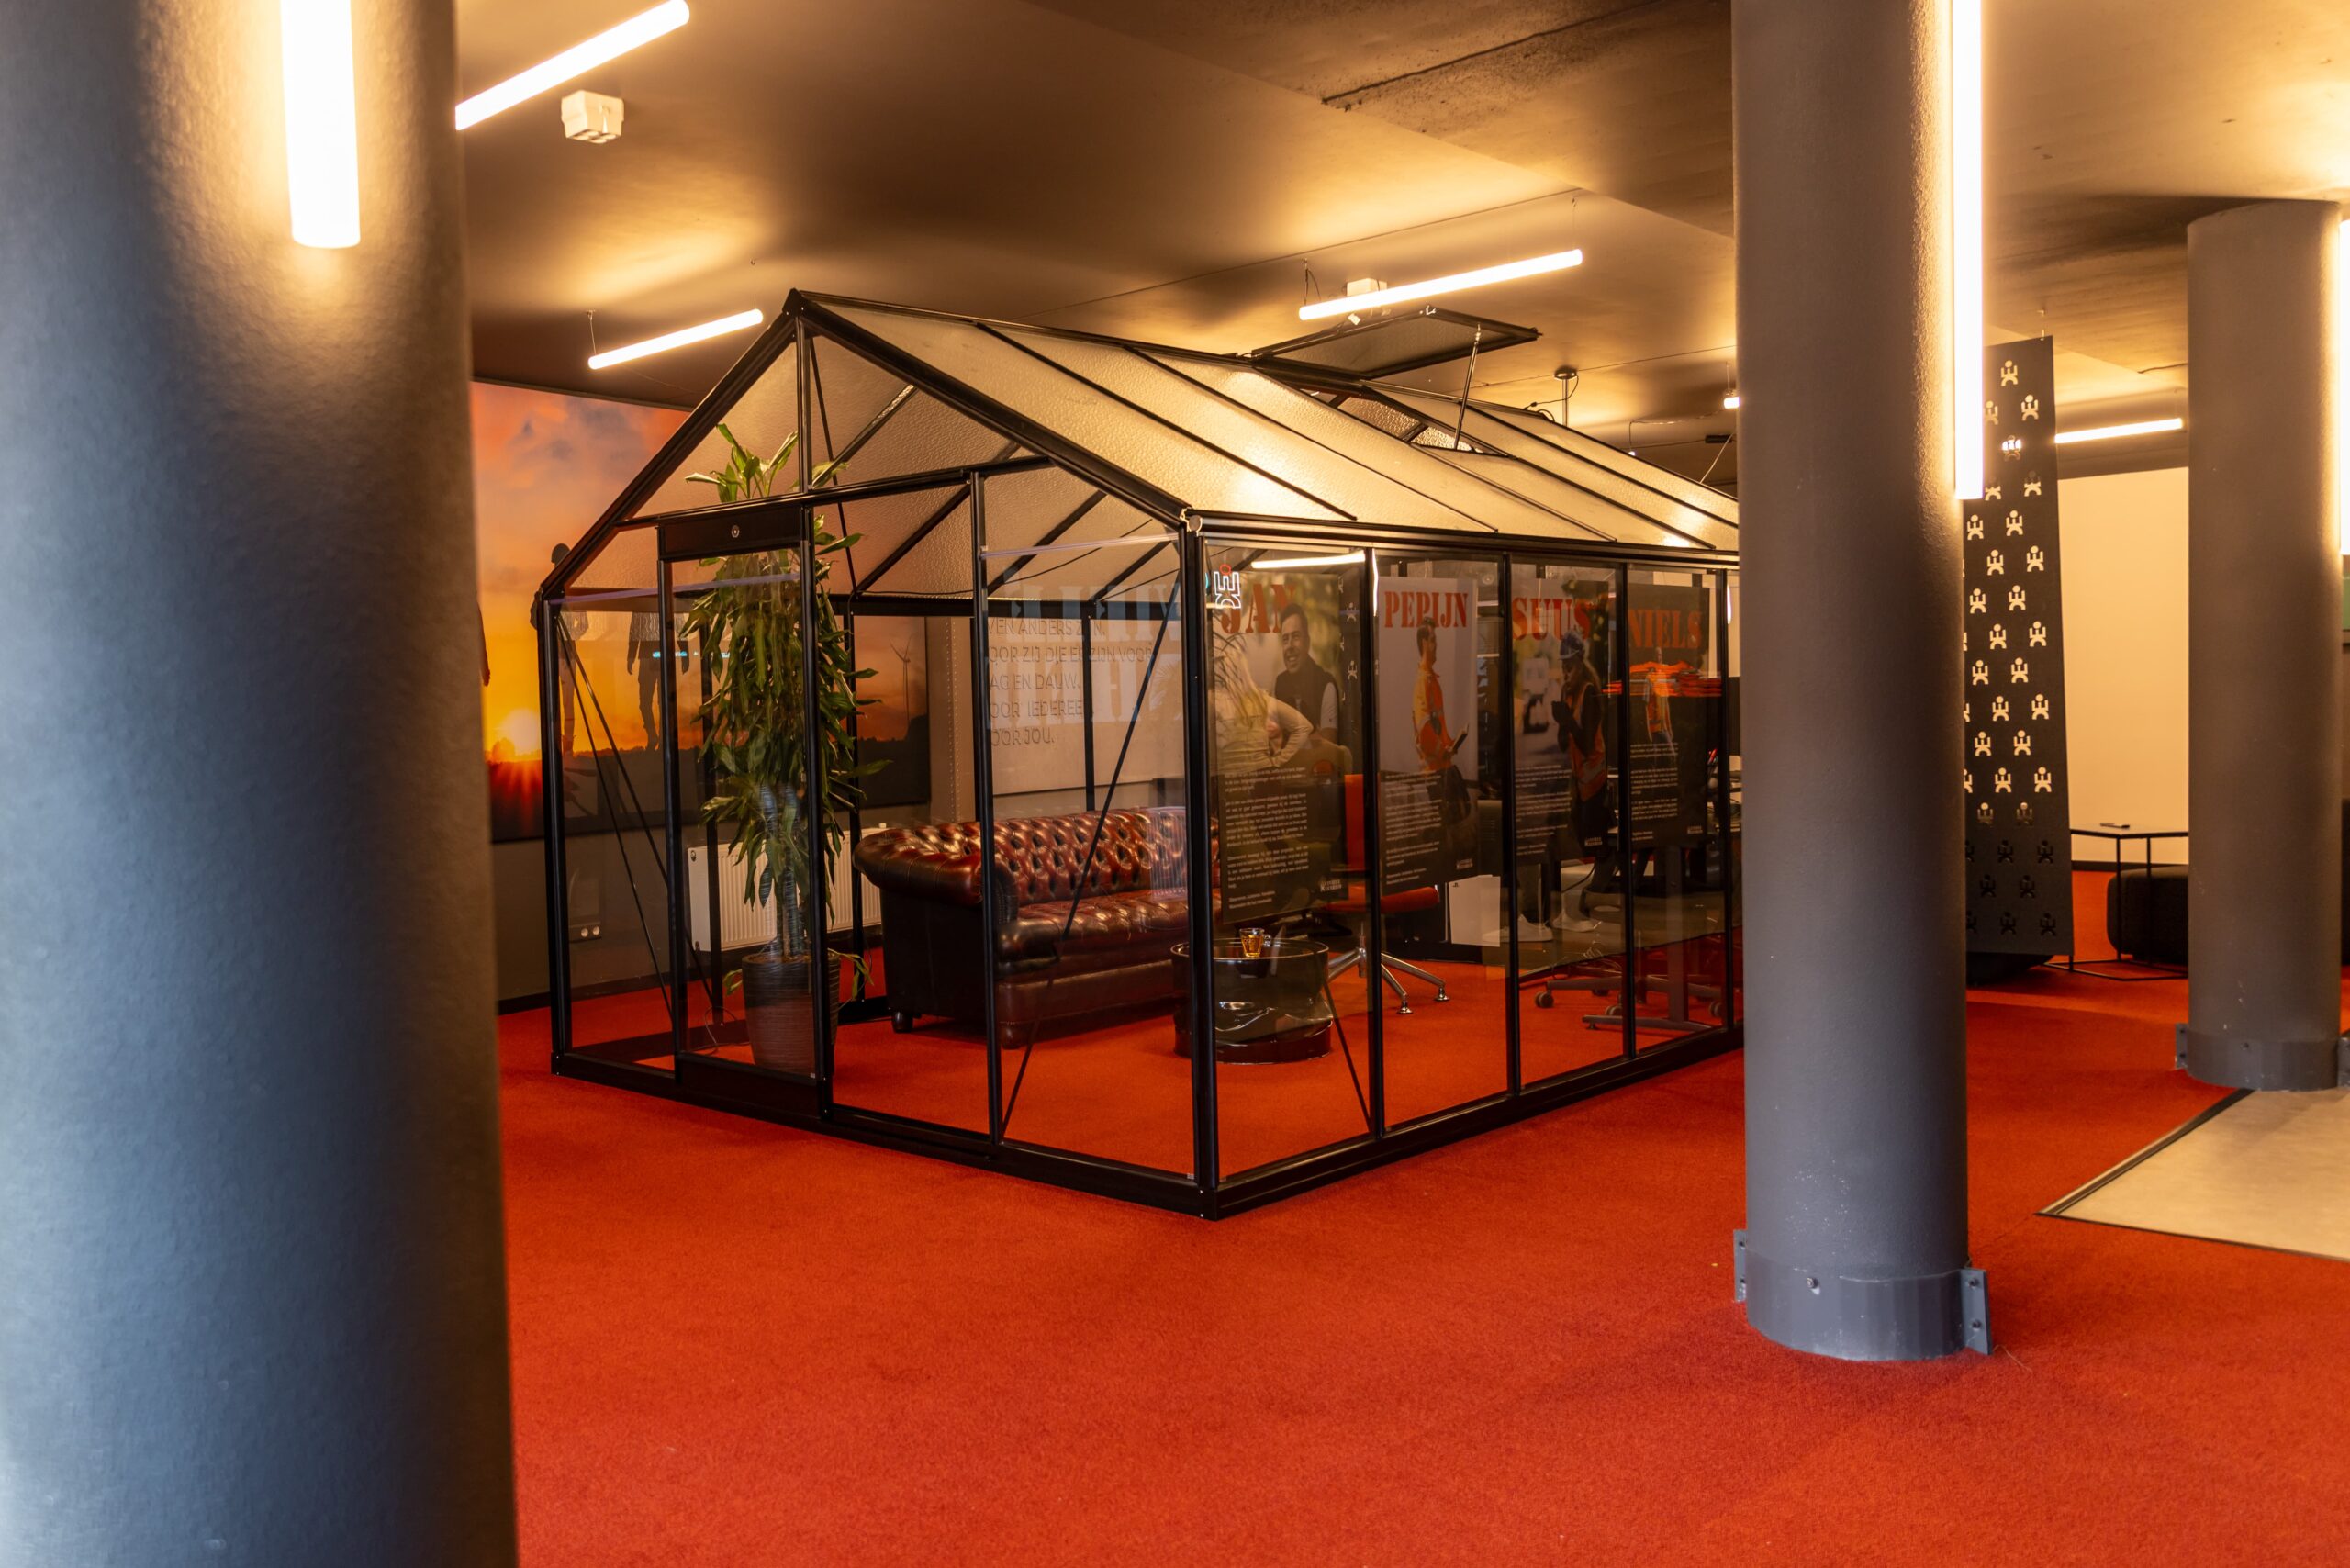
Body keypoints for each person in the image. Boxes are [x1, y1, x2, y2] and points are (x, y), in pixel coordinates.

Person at [1270, 602, 1340, 745]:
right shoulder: (1279, 685)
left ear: (1307, 642)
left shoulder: (1326, 684)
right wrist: (1313, 738)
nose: (1290, 646)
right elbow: (1274, 741)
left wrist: (1289, 742)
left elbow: (1328, 743)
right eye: (1285, 639)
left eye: (1296, 637)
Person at [625, 608, 688, 754]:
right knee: (653, 702)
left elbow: (635, 630)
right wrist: (685, 654)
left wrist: (631, 656)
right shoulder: (645, 603)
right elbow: (635, 629)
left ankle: (657, 738)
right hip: (654, 657)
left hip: (653, 657)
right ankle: (656, 737)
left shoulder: (642, 603)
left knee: (654, 702)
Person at [1410, 621, 1453, 773]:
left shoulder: (1431, 679)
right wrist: (1443, 751)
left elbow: (1438, 725)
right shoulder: (1423, 681)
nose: (1436, 645)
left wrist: (1450, 744)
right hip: (1432, 773)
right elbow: (1424, 730)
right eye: (1433, 640)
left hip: (1442, 768)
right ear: (1424, 643)